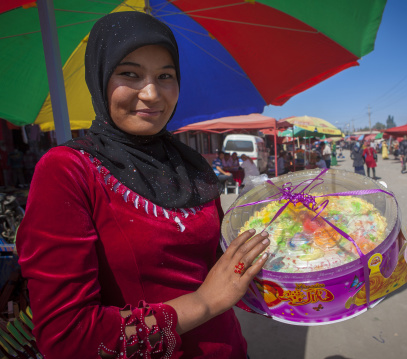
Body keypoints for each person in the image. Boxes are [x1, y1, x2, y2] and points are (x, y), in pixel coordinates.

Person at [16, 12, 270, 359]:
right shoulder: (69, 170)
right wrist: (203, 302)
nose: (151, 94)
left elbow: (220, 270)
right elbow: (68, 338)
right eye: (130, 74)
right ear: (101, 78)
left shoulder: (190, 164)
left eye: (165, 76)